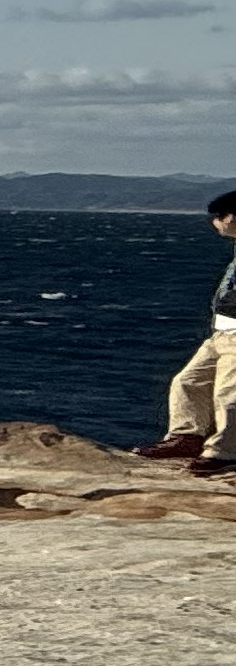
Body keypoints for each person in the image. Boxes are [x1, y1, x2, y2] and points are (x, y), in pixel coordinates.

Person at [134, 187, 236, 473]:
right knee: (188, 381)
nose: (216, 222)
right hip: (222, 333)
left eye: (220, 215)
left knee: (228, 393)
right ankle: (187, 437)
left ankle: (224, 452)